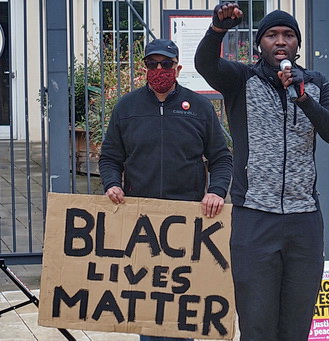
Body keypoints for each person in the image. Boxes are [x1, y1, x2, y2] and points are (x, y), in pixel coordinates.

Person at [195, 4, 329, 341]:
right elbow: (204, 64)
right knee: (257, 323)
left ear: (297, 46)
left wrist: (305, 99)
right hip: (255, 220)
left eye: (288, 35)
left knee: (296, 325)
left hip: (304, 220)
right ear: (259, 44)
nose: (280, 41)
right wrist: (217, 29)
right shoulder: (241, 80)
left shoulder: (316, 84)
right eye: (272, 35)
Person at [99, 38, 232, 341]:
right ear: (144, 67)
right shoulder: (126, 108)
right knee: (149, 308)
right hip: (141, 225)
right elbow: (109, 157)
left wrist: (217, 191)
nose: (158, 69)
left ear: (177, 67)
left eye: (165, 64)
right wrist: (112, 184)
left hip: (187, 224)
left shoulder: (199, 107)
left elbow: (221, 158)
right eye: (151, 64)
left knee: (183, 306)